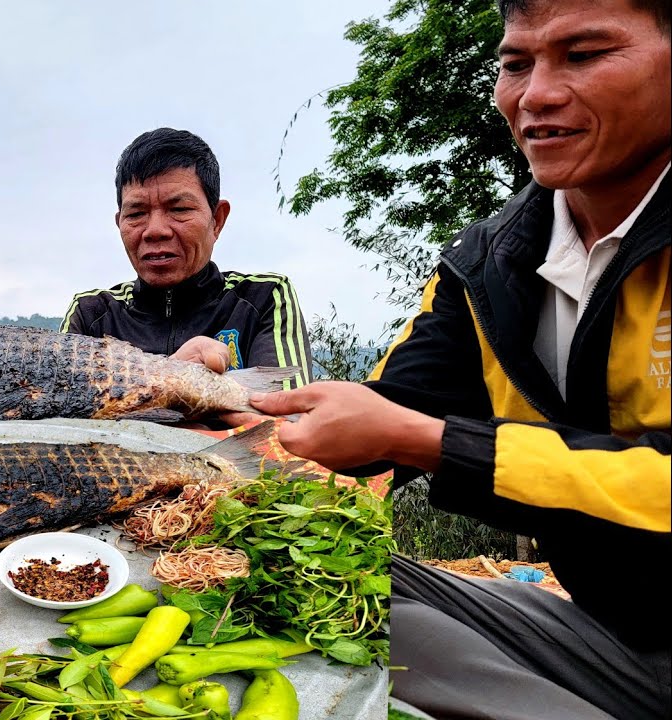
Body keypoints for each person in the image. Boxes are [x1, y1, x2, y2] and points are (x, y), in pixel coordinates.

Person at [248, 0, 670, 717]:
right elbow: (389, 414)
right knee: (324, 583)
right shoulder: (486, 264)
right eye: (515, 64)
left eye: (585, 54)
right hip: (616, 638)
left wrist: (436, 442)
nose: (535, 94)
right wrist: (227, 403)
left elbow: (414, 432)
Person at [60, 127, 312, 386]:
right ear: (119, 222)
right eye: (136, 214)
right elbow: (61, 416)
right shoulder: (92, 316)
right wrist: (174, 378)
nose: (155, 230)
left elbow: (285, 416)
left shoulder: (262, 298)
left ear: (217, 220)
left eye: (179, 209)